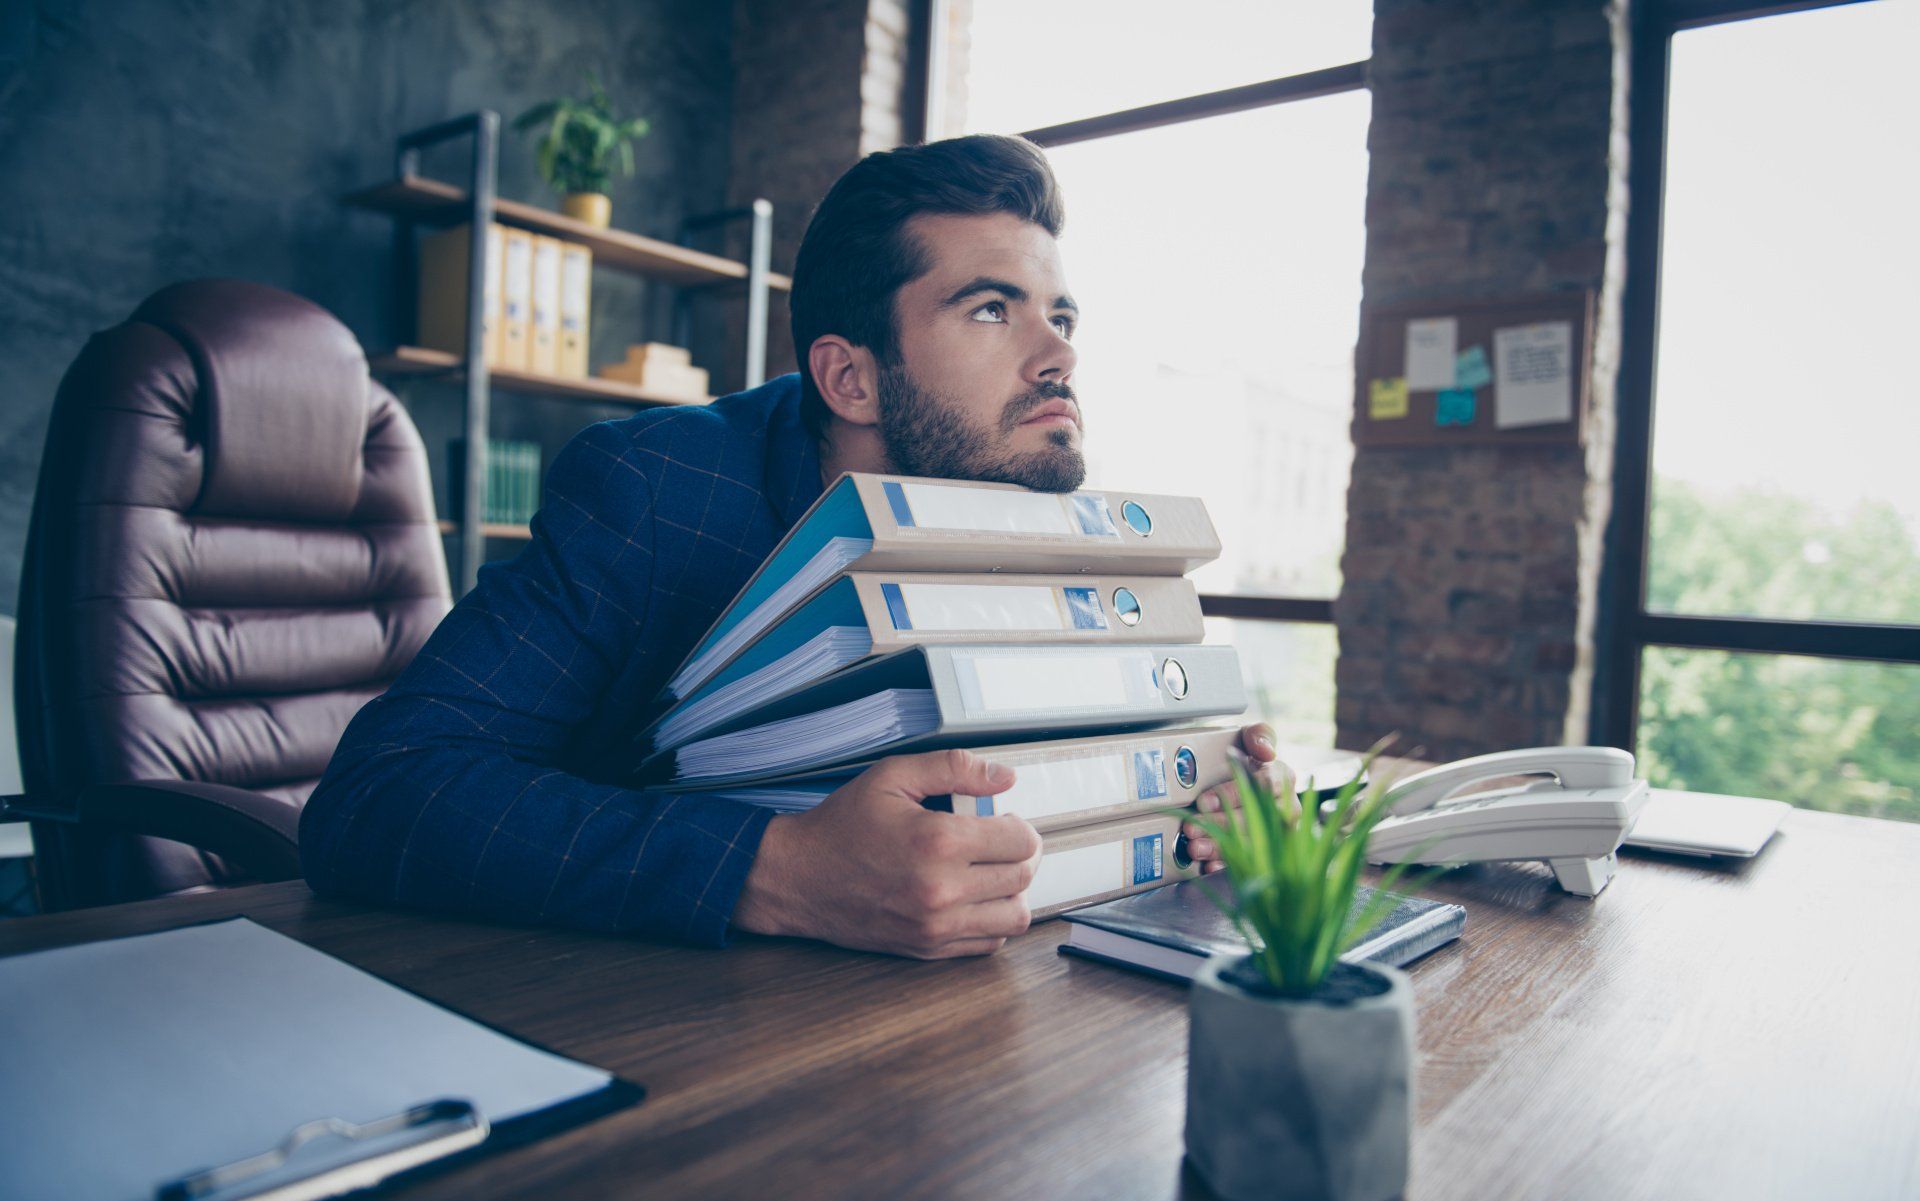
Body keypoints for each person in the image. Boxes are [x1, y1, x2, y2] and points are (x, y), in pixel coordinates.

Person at [301, 134, 1288, 960]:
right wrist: (776, 871)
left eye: (1059, 315)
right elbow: (379, 794)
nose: (1060, 353)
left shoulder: (1032, 513)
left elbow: (1075, 782)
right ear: (851, 380)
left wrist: (1189, 802)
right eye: (993, 309)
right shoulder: (651, 489)